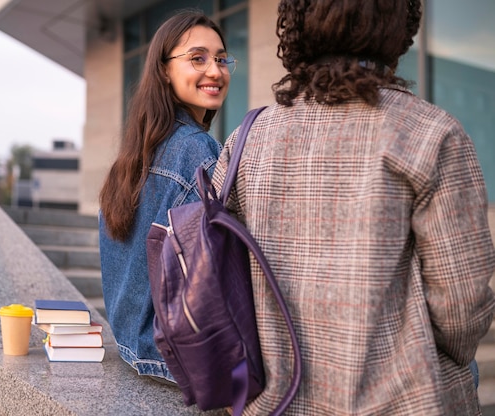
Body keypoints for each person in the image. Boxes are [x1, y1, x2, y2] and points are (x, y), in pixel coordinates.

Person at [212, 0, 495, 414]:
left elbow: (223, 271)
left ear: (296, 24)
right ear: (400, 24)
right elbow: (461, 305)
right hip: (397, 401)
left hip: (272, 401)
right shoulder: (432, 133)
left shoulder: (246, 138)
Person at [98, 10, 234, 383]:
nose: (215, 71)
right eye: (198, 58)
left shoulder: (134, 154)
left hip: (131, 347)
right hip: (174, 358)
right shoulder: (197, 150)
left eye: (221, 59)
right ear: (163, 70)